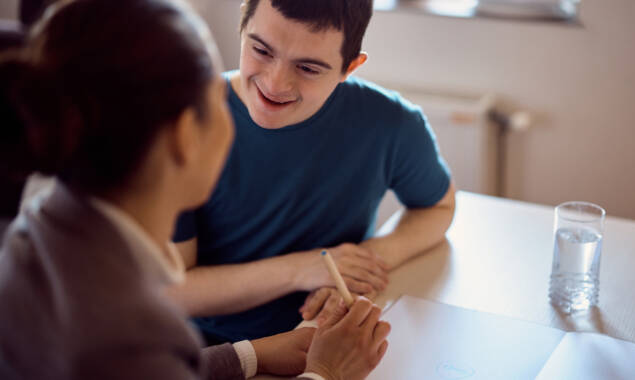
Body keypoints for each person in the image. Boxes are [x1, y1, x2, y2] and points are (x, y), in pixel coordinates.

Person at [0, 0, 389, 379]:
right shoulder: (125, 333)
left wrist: (249, 355)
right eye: (219, 102)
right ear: (187, 136)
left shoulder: (39, 227)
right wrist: (328, 372)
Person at [170, 0, 457, 344]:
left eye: (308, 68)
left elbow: (437, 206)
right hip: (212, 355)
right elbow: (173, 290)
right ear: (242, 29)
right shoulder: (181, 122)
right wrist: (303, 270)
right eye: (261, 50)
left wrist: (363, 262)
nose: (275, 84)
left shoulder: (392, 123)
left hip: (330, 341)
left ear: (349, 67)